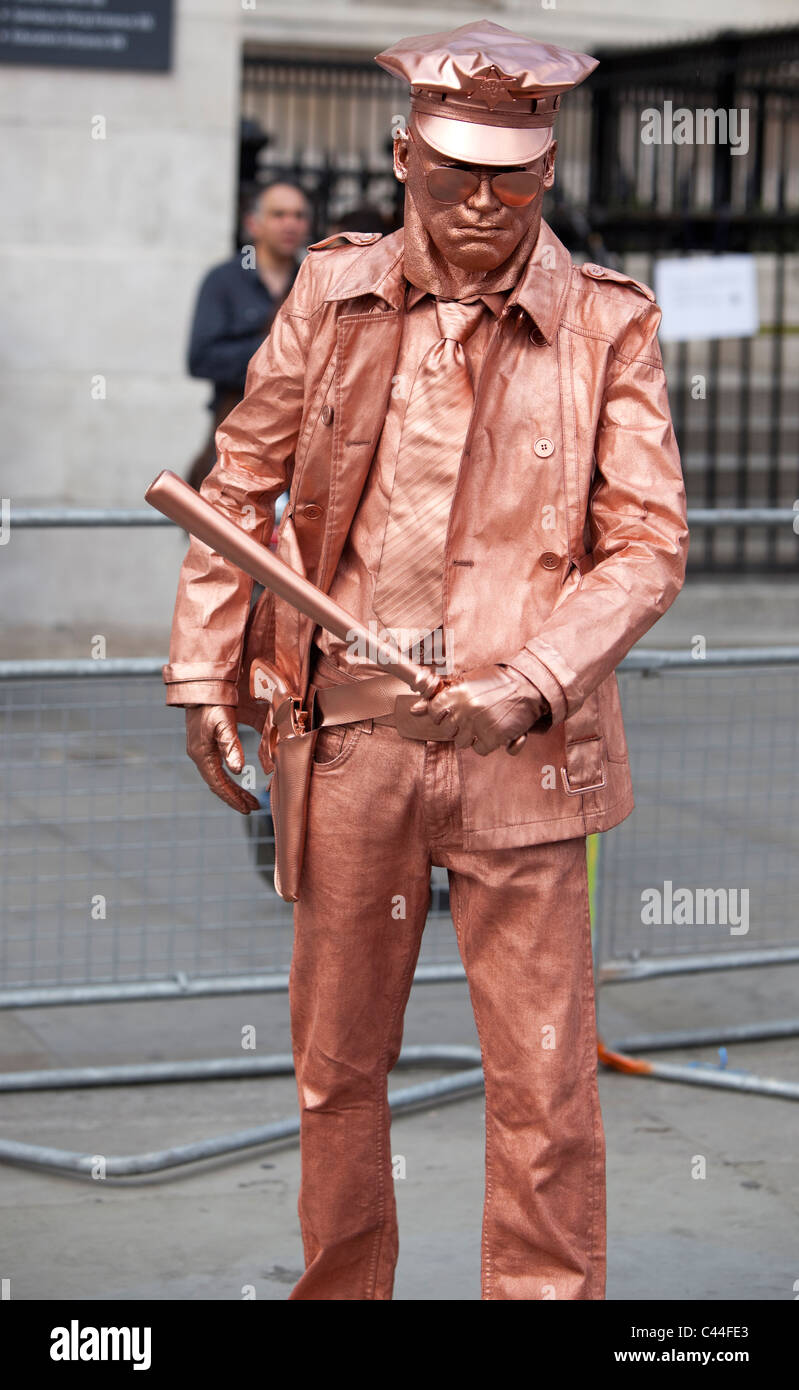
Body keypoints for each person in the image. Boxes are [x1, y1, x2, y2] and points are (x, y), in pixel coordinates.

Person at [162, 19, 689, 1299]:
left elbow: (647, 541)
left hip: (527, 753)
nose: (484, 204)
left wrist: (527, 680)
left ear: (551, 172)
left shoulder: (606, 325)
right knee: (336, 1066)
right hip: (353, 749)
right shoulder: (331, 298)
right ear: (403, 158)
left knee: (545, 1077)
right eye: (455, 174)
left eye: (514, 177)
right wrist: (201, 669)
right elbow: (239, 484)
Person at [184, 180, 310, 491]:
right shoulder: (224, 280)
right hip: (236, 434)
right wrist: (276, 353)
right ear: (253, 223)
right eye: (278, 214)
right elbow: (200, 359)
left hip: (301, 444)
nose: (290, 223)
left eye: (298, 215)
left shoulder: (315, 280)